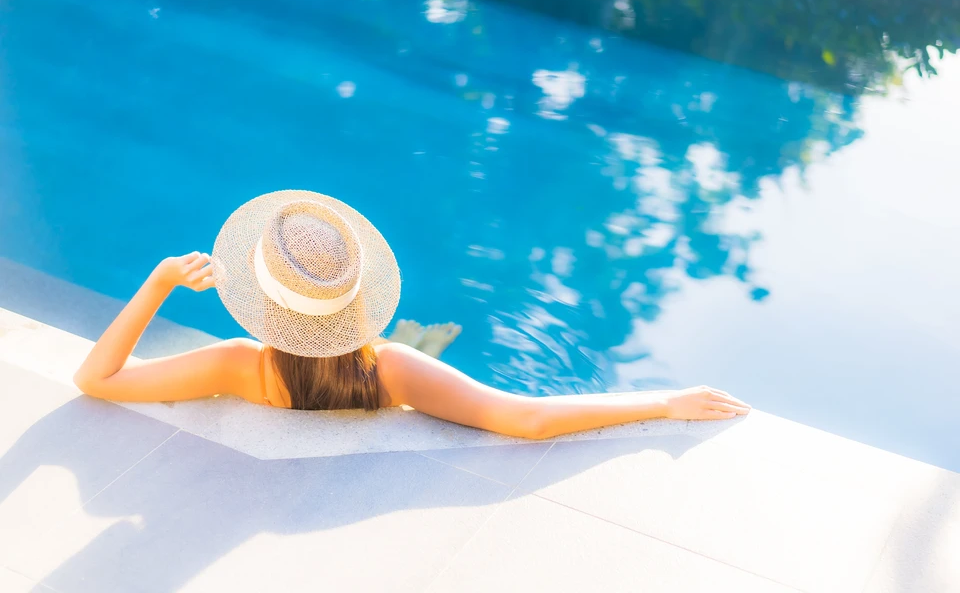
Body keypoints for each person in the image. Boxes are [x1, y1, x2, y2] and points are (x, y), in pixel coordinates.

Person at [73, 190, 750, 439]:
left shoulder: (236, 367)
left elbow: (96, 379)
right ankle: (421, 339)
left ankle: (424, 340)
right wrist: (665, 401)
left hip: (341, 371)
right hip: (376, 373)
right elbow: (526, 417)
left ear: (265, 306)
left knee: (409, 351)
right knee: (411, 353)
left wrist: (159, 282)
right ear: (354, 294)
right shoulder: (390, 371)